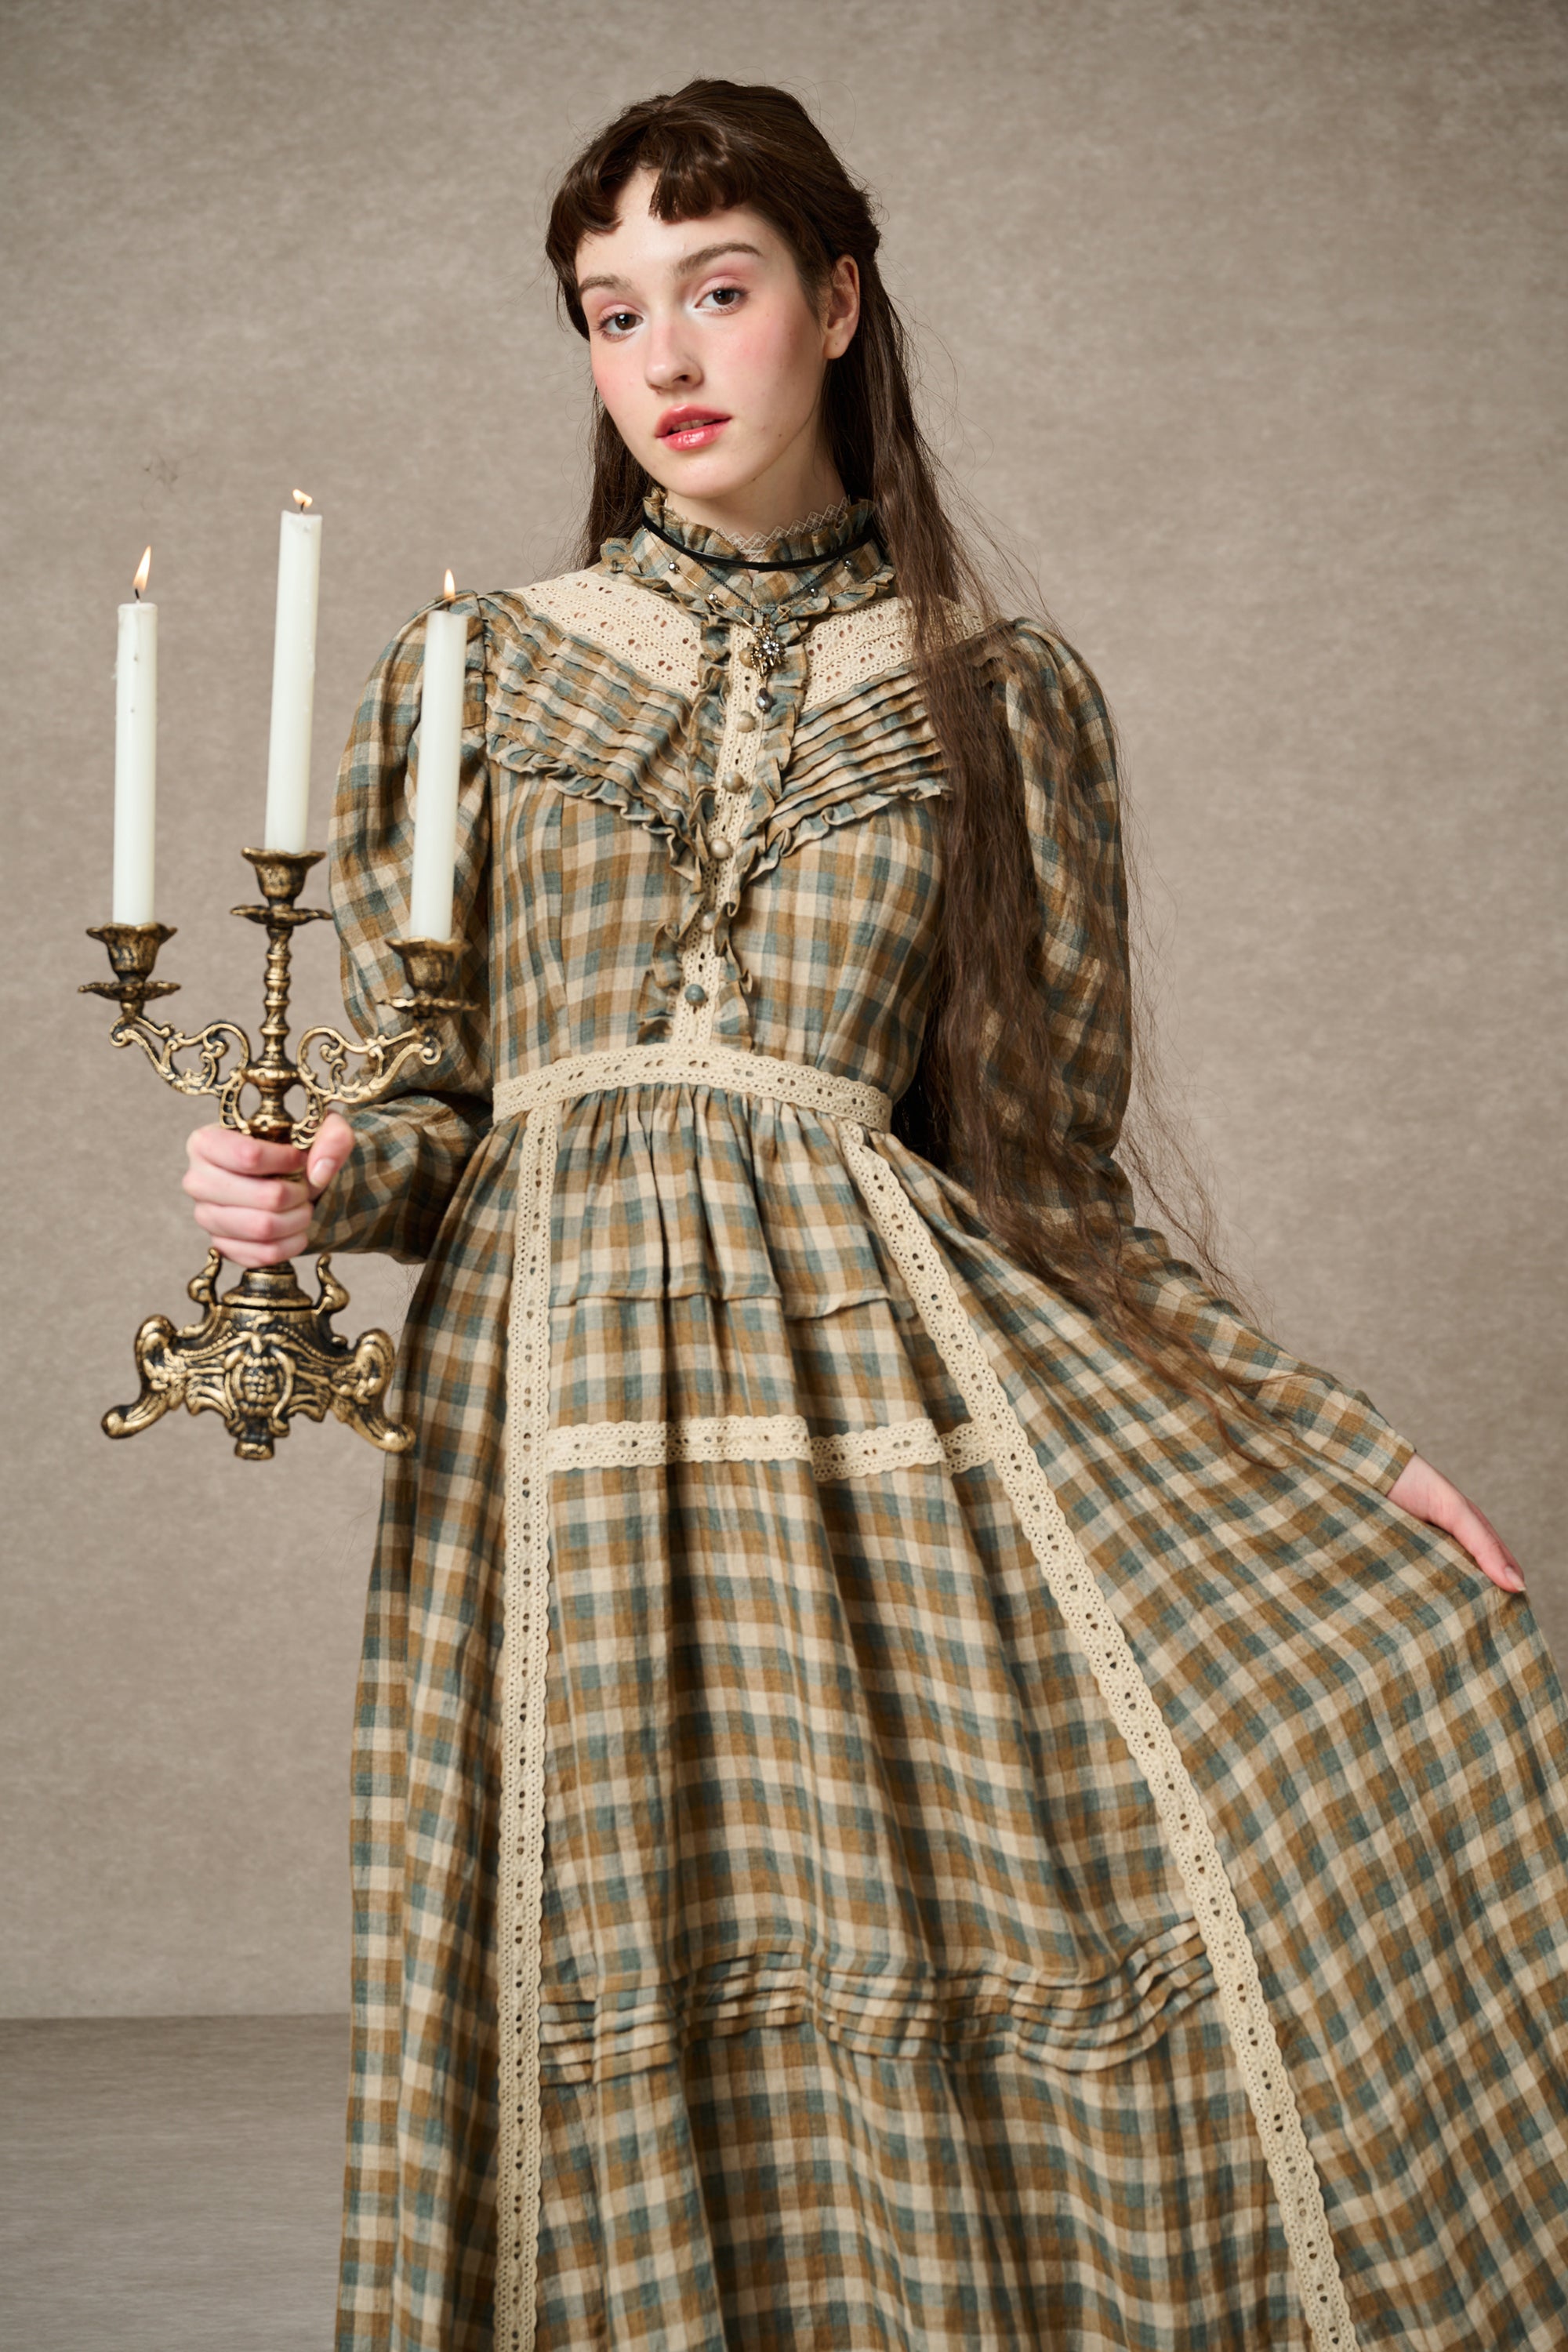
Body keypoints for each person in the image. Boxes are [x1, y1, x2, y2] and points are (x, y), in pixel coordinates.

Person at [183, 78, 1567, 2352]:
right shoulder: (475, 677)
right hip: (550, 1442)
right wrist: (325, 1174)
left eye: (715, 290)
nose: (664, 357)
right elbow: (431, 1108)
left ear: (835, 303)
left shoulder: (1000, 703)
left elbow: (1047, 1175)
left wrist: (1329, 1445)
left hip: (872, 1445)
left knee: (899, 1965)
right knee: (589, 1958)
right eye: (610, 311)